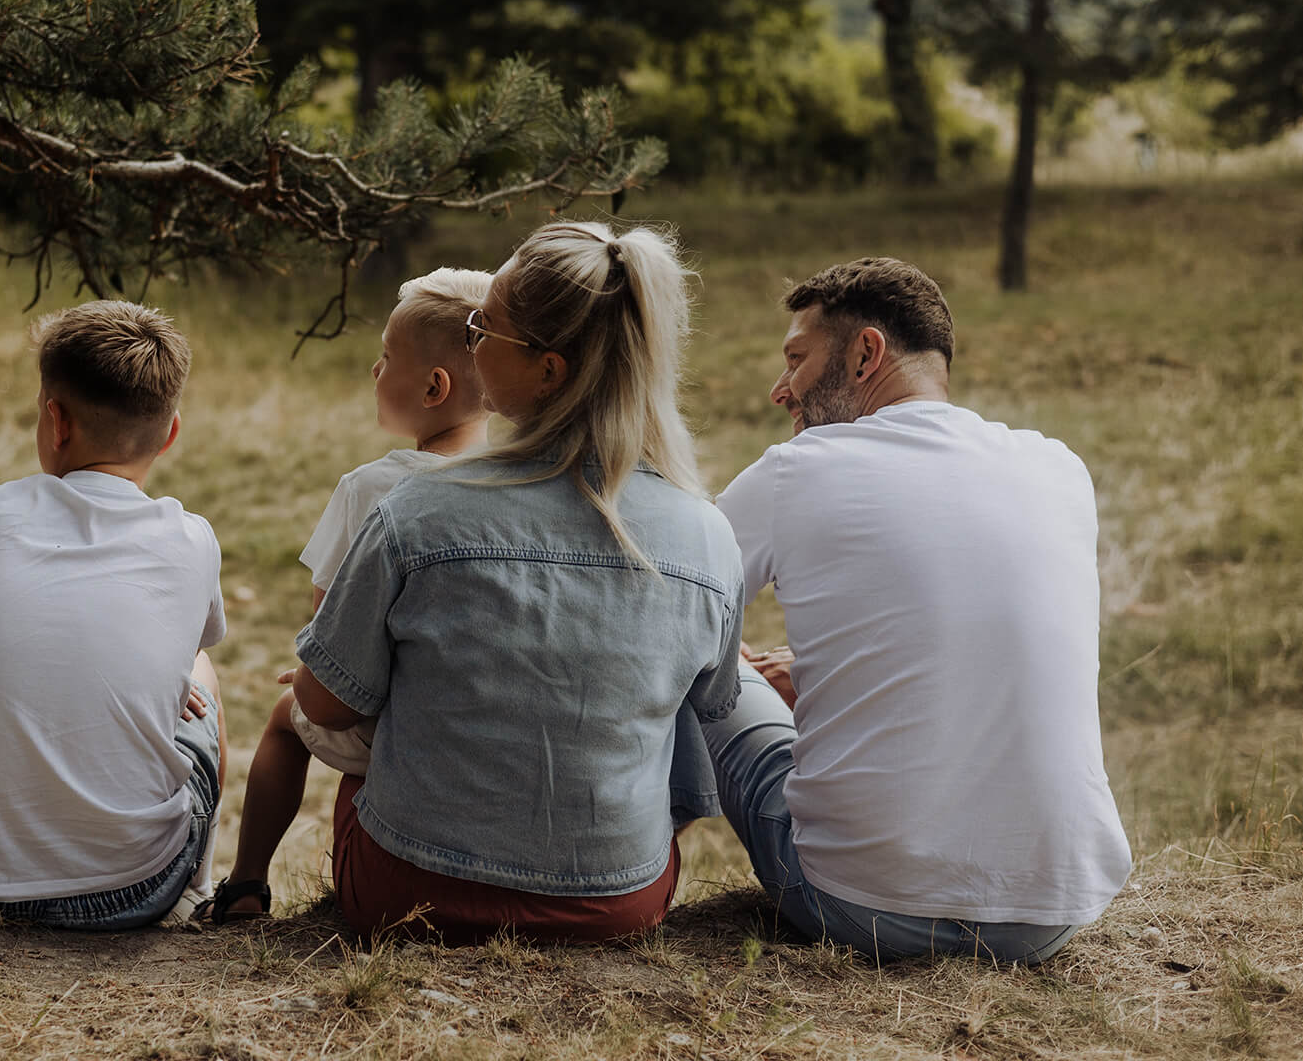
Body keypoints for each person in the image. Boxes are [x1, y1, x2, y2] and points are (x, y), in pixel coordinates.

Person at [289, 220, 745, 943]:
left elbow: (323, 704)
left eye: (484, 330)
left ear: (548, 371)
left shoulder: (417, 509)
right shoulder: (708, 533)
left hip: (409, 892)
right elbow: (713, 705)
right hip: (616, 906)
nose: (472, 343)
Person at [710, 257, 1132, 964]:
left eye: (797, 360)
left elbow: (666, 609)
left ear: (865, 353)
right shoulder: (1059, 467)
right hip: (1050, 915)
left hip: (861, 907)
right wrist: (825, 676)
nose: (781, 389)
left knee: (706, 670)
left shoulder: (796, 470)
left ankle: (621, 881)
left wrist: (743, 672)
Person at [0, 300, 227, 931]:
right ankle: (197, 887)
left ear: (55, 420)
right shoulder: (193, 538)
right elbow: (185, 646)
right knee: (202, 672)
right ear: (170, 434)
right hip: (129, 888)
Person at [207, 268, 494, 922]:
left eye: (387, 357)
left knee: (285, 719)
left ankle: (246, 884)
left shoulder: (370, 488)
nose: (374, 369)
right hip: (473, 712)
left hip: (390, 721)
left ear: (433, 387)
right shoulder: (518, 481)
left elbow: (329, 621)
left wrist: (314, 675)